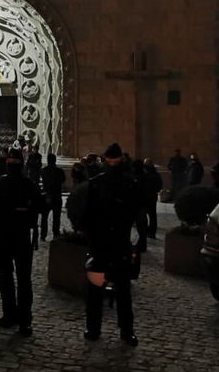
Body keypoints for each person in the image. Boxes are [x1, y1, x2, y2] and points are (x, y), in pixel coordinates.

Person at [0, 148, 42, 336]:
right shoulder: (29, 185)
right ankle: (24, 321)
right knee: (22, 280)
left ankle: (10, 315)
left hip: (3, 238)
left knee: (7, 278)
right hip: (21, 237)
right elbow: (41, 206)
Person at [83, 143, 139, 346]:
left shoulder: (128, 184)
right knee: (97, 290)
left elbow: (133, 212)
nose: (113, 162)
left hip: (117, 242)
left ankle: (124, 329)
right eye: (111, 159)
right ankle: (95, 327)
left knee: (122, 290)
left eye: (115, 160)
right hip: (103, 243)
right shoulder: (97, 183)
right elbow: (88, 216)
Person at [40, 153, 66, 241]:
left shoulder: (43, 171)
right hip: (57, 195)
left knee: (44, 217)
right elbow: (63, 180)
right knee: (56, 217)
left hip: (47, 195)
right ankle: (56, 233)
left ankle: (43, 235)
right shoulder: (60, 171)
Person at [142, 158, 162, 239]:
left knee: (144, 215)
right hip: (152, 196)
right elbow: (159, 186)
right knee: (152, 215)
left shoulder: (143, 174)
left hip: (144, 197)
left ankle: (145, 231)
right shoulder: (156, 174)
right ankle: (152, 233)